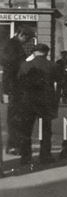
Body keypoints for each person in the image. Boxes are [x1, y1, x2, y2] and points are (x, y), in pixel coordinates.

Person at [17, 43, 57, 166]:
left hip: (28, 101)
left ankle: (25, 157)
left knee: (26, 130)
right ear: (46, 52)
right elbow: (60, 81)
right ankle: (45, 156)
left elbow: (19, 81)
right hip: (45, 101)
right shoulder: (52, 65)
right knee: (45, 130)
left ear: (34, 52)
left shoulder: (25, 65)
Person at [0, 25, 34, 154]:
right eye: (28, 38)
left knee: (15, 117)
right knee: (15, 118)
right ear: (21, 35)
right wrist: (7, 91)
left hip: (14, 87)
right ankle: (13, 146)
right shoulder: (12, 46)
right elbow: (10, 68)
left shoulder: (13, 45)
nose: (28, 41)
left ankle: (12, 145)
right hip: (14, 87)